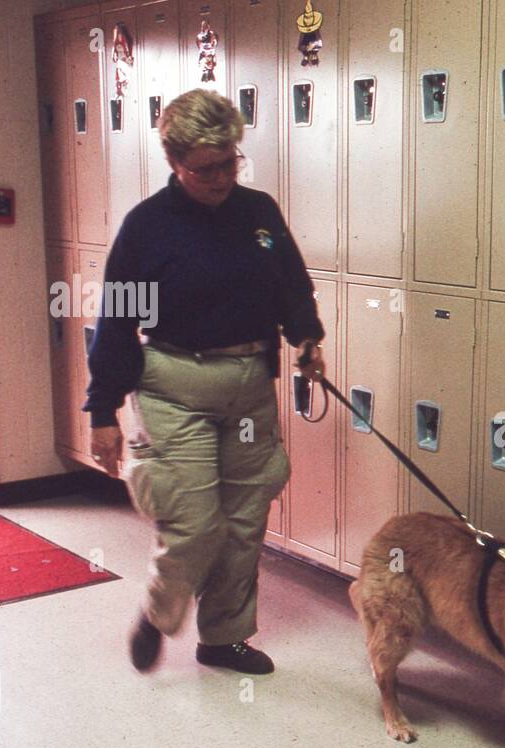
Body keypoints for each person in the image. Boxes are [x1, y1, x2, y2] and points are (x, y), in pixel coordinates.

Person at [83, 89, 326, 675]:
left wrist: (307, 336)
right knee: (193, 520)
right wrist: (102, 411)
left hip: (247, 381)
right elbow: (115, 322)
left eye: (229, 162)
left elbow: (291, 282)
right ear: (174, 163)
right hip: (173, 382)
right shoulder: (147, 229)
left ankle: (223, 639)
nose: (221, 178)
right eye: (205, 169)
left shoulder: (258, 212)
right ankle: (158, 613)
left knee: (244, 520)